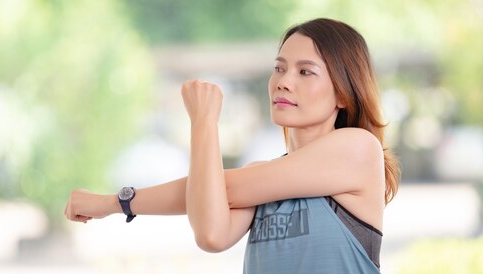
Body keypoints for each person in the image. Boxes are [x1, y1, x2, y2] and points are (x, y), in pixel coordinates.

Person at [64, 18, 400, 273]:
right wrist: (203, 126)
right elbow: (210, 233)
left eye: (305, 72)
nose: (283, 82)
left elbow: (220, 186)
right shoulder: (258, 181)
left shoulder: (359, 149)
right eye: (279, 68)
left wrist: (113, 202)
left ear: (343, 92)